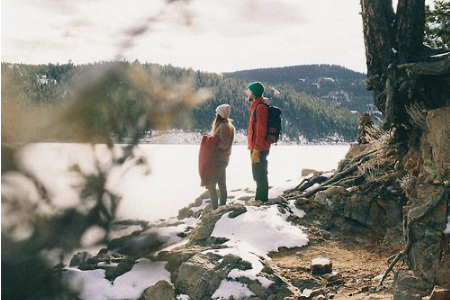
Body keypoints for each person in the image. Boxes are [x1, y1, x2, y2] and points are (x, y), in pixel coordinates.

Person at [207, 104, 235, 210]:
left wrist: (212, 143)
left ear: (220, 114)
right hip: (222, 159)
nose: (215, 114)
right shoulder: (226, 126)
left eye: (217, 112)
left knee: (211, 185)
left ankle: (216, 209)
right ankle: (222, 207)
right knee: (221, 183)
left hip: (219, 159)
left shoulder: (224, 127)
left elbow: (224, 144)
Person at [246, 81, 271, 202]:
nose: (248, 93)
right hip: (256, 147)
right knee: (258, 174)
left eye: (249, 91)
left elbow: (261, 131)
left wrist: (256, 149)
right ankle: (260, 198)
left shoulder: (260, 108)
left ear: (254, 93)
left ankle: (261, 200)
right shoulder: (256, 106)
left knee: (260, 175)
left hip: (259, 148)